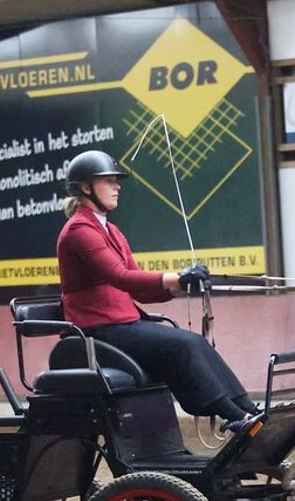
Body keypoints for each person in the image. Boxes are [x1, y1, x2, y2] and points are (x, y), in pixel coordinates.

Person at [55, 149, 259, 429]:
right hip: (98, 329)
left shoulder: (112, 232)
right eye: (109, 181)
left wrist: (181, 286)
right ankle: (237, 417)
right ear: (85, 187)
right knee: (183, 345)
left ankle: (249, 409)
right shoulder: (79, 231)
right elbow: (119, 277)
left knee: (195, 342)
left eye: (117, 181)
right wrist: (177, 276)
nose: (117, 186)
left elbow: (140, 289)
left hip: (122, 324)